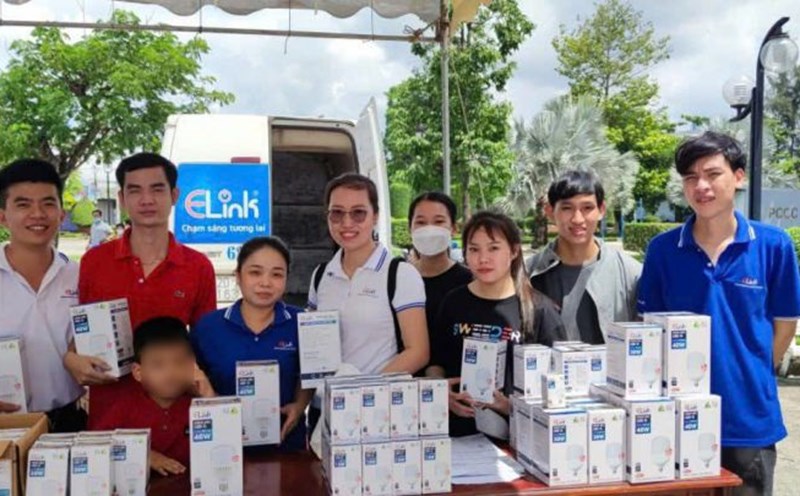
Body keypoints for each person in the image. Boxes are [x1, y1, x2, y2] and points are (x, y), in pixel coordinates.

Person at [638, 131, 800, 496]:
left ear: (738, 177)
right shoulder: (662, 251)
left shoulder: (774, 246)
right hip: (678, 421)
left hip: (749, 421)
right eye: (691, 177)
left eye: (713, 174)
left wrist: (751, 372)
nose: (701, 186)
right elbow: (651, 333)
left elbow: (785, 325)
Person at [68, 152, 217, 428]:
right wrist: (71, 359)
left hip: (174, 424)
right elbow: (81, 334)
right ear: (122, 200)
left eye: (157, 189)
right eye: (135, 191)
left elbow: (203, 345)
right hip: (110, 419)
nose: (147, 200)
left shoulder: (198, 267)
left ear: (174, 195)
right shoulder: (94, 262)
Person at [426, 211, 566, 437]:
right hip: (456, 437)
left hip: (517, 441)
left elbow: (559, 389)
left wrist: (507, 406)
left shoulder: (539, 310)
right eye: (474, 249)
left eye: (493, 248)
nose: (483, 259)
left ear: (514, 251)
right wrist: (440, 391)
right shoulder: (452, 302)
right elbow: (435, 362)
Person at [307, 173, 429, 431]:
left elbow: (418, 351)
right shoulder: (321, 276)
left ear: (375, 216)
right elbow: (314, 351)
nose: (346, 223)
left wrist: (360, 393)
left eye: (358, 213)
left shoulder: (400, 274)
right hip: (324, 411)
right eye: (336, 213)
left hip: (377, 412)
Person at [191, 236, 312, 451]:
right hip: (223, 448)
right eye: (255, 272)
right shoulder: (208, 327)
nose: (265, 283)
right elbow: (192, 381)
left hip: (287, 447)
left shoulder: (303, 322)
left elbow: (310, 373)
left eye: (276, 274)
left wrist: (300, 404)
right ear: (238, 276)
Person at [0, 159, 86, 432]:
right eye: (23, 204)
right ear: (3, 216)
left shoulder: (80, 276)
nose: (37, 214)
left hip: (69, 421)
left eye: (48, 203)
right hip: (6, 424)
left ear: (62, 214)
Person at [527, 170, 641, 343]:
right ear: (550, 211)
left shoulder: (631, 274)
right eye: (567, 208)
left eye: (587, 208)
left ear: (601, 210)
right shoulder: (526, 273)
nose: (578, 219)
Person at [95, 317, 209, 476]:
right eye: (158, 365)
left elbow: (227, 437)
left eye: (180, 362)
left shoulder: (199, 404)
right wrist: (145, 456)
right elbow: (97, 444)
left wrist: (209, 396)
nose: (171, 373)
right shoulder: (126, 406)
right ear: (138, 372)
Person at [407, 192, 473, 338]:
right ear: (410, 228)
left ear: (453, 228)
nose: (429, 230)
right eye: (421, 222)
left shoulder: (469, 281)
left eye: (438, 221)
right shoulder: (398, 278)